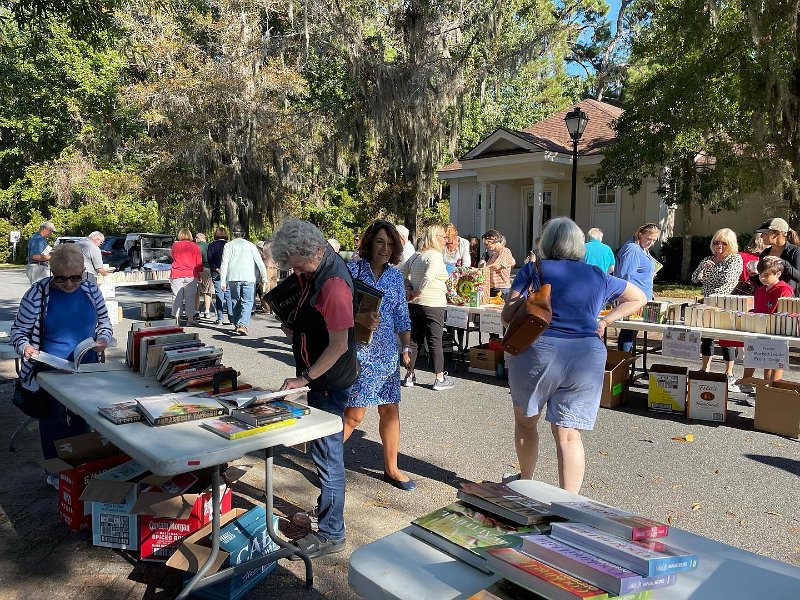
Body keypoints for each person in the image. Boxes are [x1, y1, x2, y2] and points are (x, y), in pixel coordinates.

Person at [502, 218, 646, 493]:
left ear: (547, 242)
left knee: (526, 422)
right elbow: (638, 297)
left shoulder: (534, 269)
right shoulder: (597, 274)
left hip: (539, 350)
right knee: (569, 435)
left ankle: (525, 482)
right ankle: (569, 503)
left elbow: (508, 316)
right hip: (586, 354)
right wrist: (605, 321)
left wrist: (526, 300)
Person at [273, 218, 358, 559]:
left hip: (328, 382)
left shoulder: (333, 284)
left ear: (314, 252)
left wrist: (305, 379)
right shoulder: (316, 269)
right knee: (325, 454)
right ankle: (327, 515)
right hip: (322, 378)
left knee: (327, 457)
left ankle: (332, 533)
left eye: (297, 265)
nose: (295, 272)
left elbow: (339, 345)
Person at [10, 243, 112, 488]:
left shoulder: (90, 289)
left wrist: (103, 339)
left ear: (83, 272)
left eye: (75, 277)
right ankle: (57, 472)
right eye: (61, 278)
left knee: (83, 419)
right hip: (49, 369)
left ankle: (80, 467)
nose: (69, 284)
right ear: (52, 273)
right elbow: (19, 331)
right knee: (53, 421)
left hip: (84, 367)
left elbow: (104, 323)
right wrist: (25, 347)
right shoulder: (38, 293)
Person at [342, 221, 415, 491]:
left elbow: (401, 316)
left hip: (386, 354)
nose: (385, 249)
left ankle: (392, 468)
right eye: (380, 242)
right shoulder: (352, 271)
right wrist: (359, 317)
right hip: (357, 351)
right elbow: (334, 308)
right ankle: (327, 463)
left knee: (390, 410)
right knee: (355, 415)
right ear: (370, 243)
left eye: (390, 244)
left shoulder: (395, 277)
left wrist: (406, 348)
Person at [400, 224, 454, 391]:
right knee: (435, 340)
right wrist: (417, 291)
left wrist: (409, 288)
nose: (446, 240)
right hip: (433, 303)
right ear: (435, 237)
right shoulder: (435, 256)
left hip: (415, 305)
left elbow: (402, 271)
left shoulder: (417, 255)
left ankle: (409, 375)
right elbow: (429, 276)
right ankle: (439, 378)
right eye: (443, 237)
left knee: (414, 341)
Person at [691, 228, 743, 387]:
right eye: (716, 242)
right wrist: (703, 268)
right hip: (707, 303)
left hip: (725, 303)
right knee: (706, 337)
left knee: (726, 339)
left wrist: (712, 297)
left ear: (730, 244)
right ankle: (705, 368)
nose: (719, 245)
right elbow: (694, 278)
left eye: (723, 243)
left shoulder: (734, 259)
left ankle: (729, 372)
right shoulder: (708, 259)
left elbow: (728, 282)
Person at [739, 256, 794, 400]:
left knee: (774, 362)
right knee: (761, 359)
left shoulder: (785, 290)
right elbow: (757, 309)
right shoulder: (760, 290)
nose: (762, 278)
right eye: (760, 275)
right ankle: (761, 390)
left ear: (778, 274)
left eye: (766, 275)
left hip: (778, 332)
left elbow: (786, 313)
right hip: (760, 330)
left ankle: (772, 392)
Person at [615, 223, 661, 353]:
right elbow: (625, 275)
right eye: (648, 239)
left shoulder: (642, 248)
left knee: (630, 332)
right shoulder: (633, 249)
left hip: (641, 296)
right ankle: (624, 361)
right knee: (629, 332)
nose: (651, 243)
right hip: (633, 297)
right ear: (640, 234)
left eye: (654, 240)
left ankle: (624, 360)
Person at [220, 226, 267, 336]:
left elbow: (224, 263)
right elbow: (259, 262)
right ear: (244, 234)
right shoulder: (250, 245)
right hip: (248, 277)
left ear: (233, 234)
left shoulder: (228, 245)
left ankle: (237, 324)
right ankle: (243, 324)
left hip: (233, 277)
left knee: (235, 300)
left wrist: (223, 281)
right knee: (248, 301)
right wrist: (264, 277)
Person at [750, 218, 800, 292]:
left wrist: (784, 263)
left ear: (777, 233)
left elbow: (798, 277)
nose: (761, 236)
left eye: (765, 232)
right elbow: (762, 282)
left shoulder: (795, 251)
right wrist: (753, 275)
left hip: (786, 296)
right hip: (769, 295)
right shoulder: (765, 253)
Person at [170, 228, 202, 326]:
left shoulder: (175, 245)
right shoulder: (195, 246)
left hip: (177, 273)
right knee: (190, 297)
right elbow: (199, 262)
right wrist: (199, 274)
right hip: (191, 274)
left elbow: (173, 256)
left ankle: (177, 319)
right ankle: (190, 320)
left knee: (177, 297)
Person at [207, 226, 232, 325]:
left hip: (216, 272)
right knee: (229, 295)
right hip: (228, 273)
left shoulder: (212, 245)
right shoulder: (229, 245)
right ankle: (231, 317)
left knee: (219, 295)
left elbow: (210, 259)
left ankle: (220, 318)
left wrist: (217, 269)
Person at [480, 230, 515, 297]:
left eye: (486, 244)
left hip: (501, 290)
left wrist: (480, 271)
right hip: (492, 289)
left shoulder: (505, 251)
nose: (485, 246)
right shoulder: (494, 254)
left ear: (493, 239)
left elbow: (496, 266)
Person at [194, 233, 213, 318]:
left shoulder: (195, 246)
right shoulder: (209, 246)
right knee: (207, 291)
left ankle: (196, 311)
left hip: (196, 268)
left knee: (196, 291)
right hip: (208, 269)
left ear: (197, 239)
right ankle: (207, 311)